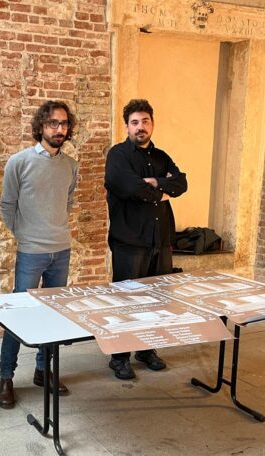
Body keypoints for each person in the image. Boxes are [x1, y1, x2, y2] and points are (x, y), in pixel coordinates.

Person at [0, 100, 79, 409]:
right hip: (31, 251)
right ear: (41, 126)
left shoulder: (70, 165)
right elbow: (7, 205)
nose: (59, 129)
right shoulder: (19, 162)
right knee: (18, 314)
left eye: (64, 124)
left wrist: (54, 229)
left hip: (62, 249)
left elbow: (67, 203)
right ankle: (6, 378)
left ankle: (44, 371)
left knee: (53, 314)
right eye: (53, 123)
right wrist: (25, 235)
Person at [104, 99, 188, 380]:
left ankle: (146, 349)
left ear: (152, 124)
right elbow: (126, 186)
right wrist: (160, 188)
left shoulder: (161, 156)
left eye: (145, 121)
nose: (141, 127)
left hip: (160, 239)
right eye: (135, 122)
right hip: (130, 241)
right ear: (127, 126)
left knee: (156, 300)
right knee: (126, 303)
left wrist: (156, 183)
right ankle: (119, 357)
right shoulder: (117, 155)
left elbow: (182, 183)